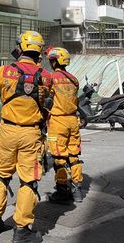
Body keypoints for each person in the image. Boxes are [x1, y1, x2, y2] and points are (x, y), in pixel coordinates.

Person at [0, 30, 51, 243]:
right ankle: (21, 229)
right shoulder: (46, 76)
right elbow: (47, 97)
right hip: (31, 134)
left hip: (8, 132)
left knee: (2, 176)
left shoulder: (5, 70)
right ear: (39, 52)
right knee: (28, 182)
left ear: (20, 48)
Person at [45, 47, 84, 203]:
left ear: (55, 61)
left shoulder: (52, 78)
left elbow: (46, 97)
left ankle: (62, 191)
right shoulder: (74, 79)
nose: (50, 63)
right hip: (73, 121)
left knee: (59, 158)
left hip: (58, 121)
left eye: (51, 60)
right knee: (74, 156)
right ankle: (77, 191)